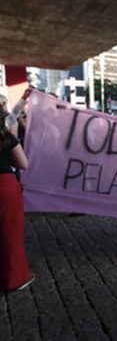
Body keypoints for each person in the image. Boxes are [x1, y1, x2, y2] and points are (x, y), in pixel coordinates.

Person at [0, 110, 35, 291]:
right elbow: (23, 164)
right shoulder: (7, 139)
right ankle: (14, 278)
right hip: (4, 188)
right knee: (10, 233)